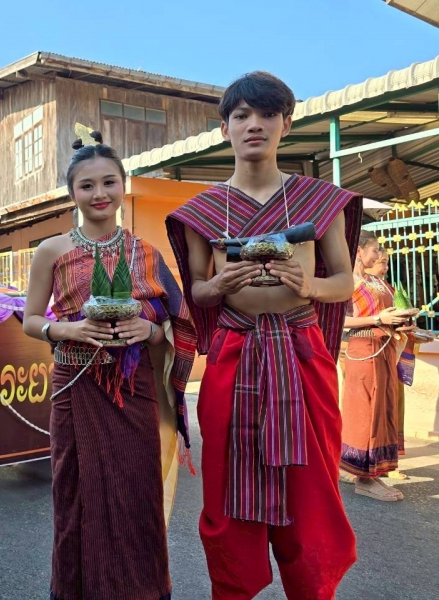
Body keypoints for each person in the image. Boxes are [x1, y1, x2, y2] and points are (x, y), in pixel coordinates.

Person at [166, 71, 361, 599]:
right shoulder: (203, 211)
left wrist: (310, 285)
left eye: (268, 114)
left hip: (302, 351)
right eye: (242, 115)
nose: (255, 124)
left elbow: (345, 281)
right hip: (234, 352)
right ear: (224, 128)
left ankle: (314, 588)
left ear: (286, 125)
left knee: (312, 489)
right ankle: (234, 588)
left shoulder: (319, 201)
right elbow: (198, 290)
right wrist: (219, 284)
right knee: (227, 480)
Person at [23, 132, 195, 600]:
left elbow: (177, 321)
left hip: (134, 389)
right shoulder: (52, 250)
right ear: (72, 192)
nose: (99, 194)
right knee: (76, 497)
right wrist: (69, 330)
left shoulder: (147, 253)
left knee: (136, 495)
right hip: (75, 387)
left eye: (108, 183)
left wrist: (150, 331)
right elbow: (31, 320)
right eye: (87, 185)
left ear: (123, 186)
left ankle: (143, 591)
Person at [340, 231, 417, 499]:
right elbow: (340, 321)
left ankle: (375, 473)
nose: (379, 255)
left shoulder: (376, 281)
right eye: (374, 250)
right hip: (363, 350)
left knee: (383, 411)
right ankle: (363, 478)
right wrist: (377, 319)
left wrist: (402, 323)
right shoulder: (347, 281)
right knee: (366, 412)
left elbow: (386, 314)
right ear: (359, 251)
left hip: (384, 349)